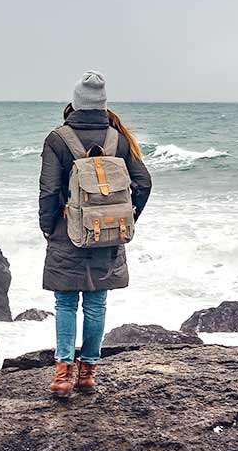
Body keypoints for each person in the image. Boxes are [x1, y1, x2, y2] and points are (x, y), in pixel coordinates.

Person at [38, 71, 152, 398]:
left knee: (64, 301)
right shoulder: (118, 138)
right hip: (109, 233)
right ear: (103, 104)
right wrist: (126, 218)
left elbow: (48, 191)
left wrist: (49, 227)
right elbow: (143, 183)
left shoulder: (58, 139)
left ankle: (62, 376)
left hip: (66, 232)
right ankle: (87, 374)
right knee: (97, 303)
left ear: (75, 102)